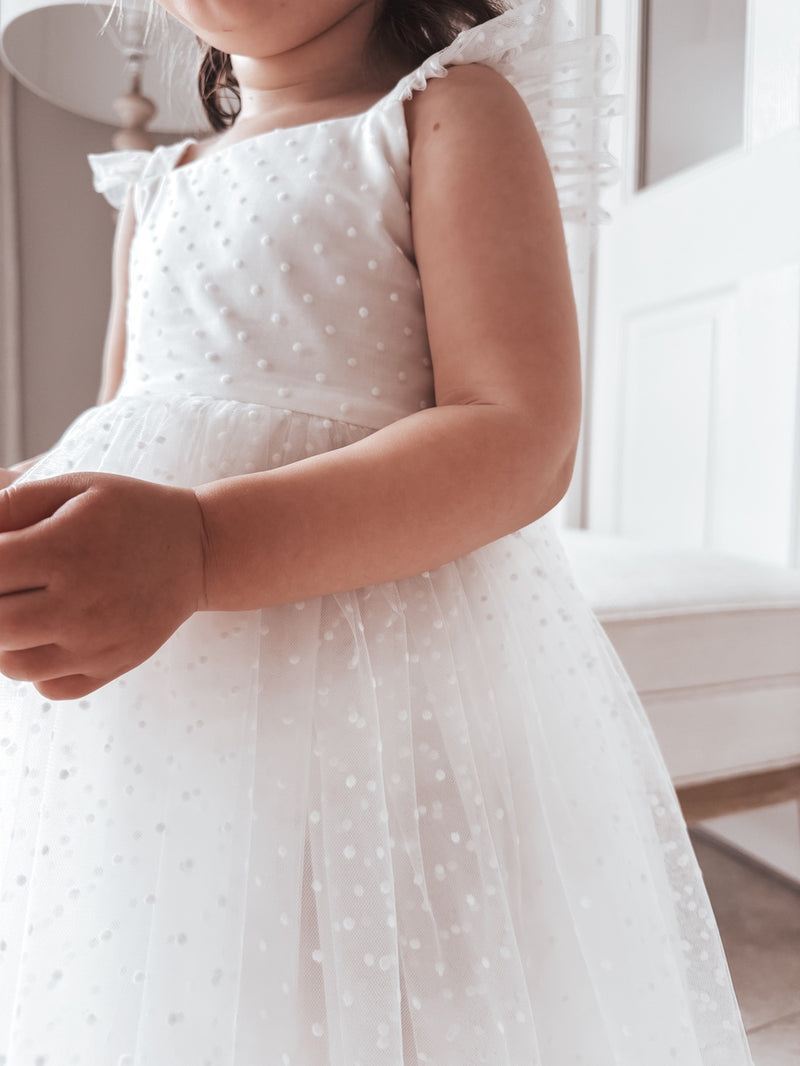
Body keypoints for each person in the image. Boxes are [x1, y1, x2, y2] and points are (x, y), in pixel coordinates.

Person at [0, 1, 755, 1063]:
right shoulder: (157, 189)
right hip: (170, 717)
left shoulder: (444, 115)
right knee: (201, 979)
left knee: (395, 988)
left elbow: (517, 433)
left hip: (380, 687)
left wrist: (205, 543)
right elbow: (119, 428)